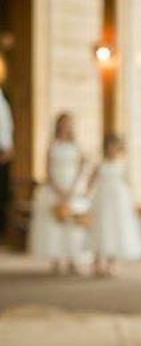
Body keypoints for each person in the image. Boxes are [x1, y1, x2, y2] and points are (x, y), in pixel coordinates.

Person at [28, 112, 88, 274]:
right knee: (54, 223)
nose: (66, 126)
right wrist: (58, 189)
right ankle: (57, 259)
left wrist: (73, 188)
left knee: (74, 224)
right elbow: (47, 170)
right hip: (55, 187)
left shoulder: (77, 145)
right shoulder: (52, 145)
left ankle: (74, 259)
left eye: (68, 123)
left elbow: (82, 167)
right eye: (63, 123)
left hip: (73, 187)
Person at [88, 133, 141, 276]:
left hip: (119, 202)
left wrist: (133, 203)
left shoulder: (122, 165)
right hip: (102, 201)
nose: (112, 149)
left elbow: (128, 185)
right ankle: (96, 262)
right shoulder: (100, 164)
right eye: (110, 145)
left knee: (115, 230)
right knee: (101, 229)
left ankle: (111, 263)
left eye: (115, 146)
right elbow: (90, 182)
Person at [0, 54, 14, 239]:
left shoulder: (4, 97)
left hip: (3, 150)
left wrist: (9, 147)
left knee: (2, 195)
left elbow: (7, 125)